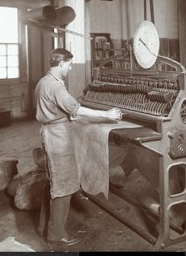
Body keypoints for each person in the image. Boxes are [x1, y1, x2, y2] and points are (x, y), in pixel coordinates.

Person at [35, 48, 122, 246]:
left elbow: (69, 112)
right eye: (69, 64)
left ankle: (44, 226)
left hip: (50, 132)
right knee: (64, 186)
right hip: (58, 137)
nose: (71, 68)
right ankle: (57, 234)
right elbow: (75, 109)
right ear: (61, 64)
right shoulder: (56, 87)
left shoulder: (43, 81)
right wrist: (107, 115)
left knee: (53, 182)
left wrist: (95, 116)